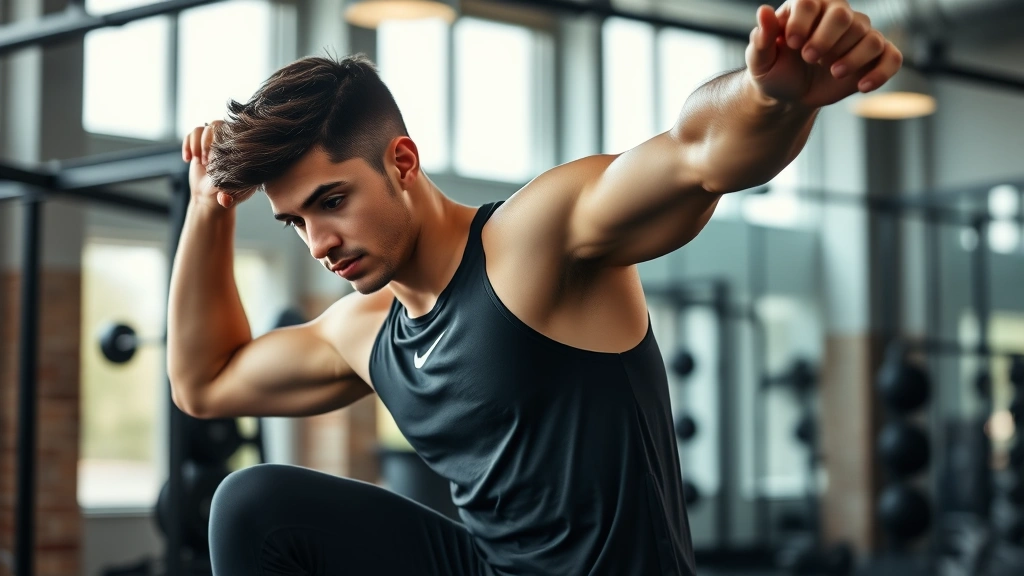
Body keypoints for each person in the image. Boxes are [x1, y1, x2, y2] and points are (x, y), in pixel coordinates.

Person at [169, 1, 902, 574]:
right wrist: (207, 209)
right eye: (295, 222)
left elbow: (697, 154)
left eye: (332, 201)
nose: (319, 244)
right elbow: (204, 382)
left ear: (401, 160)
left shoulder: (535, 243)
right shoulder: (365, 332)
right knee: (254, 505)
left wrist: (773, 97)